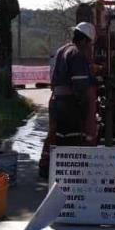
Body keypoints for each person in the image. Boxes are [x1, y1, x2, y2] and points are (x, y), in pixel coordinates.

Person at [39, 22, 96, 178]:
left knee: (54, 134)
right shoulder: (77, 54)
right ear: (84, 41)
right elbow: (80, 87)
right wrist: (85, 111)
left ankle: (45, 167)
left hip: (56, 100)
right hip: (68, 104)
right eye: (90, 44)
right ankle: (68, 175)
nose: (90, 48)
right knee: (71, 138)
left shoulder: (62, 50)